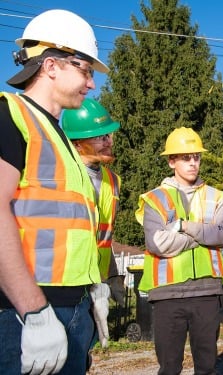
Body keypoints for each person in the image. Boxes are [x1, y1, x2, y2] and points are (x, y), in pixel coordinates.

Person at [0, 9, 109, 375]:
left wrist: (93, 286)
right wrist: (33, 309)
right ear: (50, 66)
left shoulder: (59, 136)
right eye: (85, 69)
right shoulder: (9, 116)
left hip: (70, 305)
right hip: (24, 312)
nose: (91, 83)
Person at [135, 127, 223, 375]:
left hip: (207, 291)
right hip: (167, 294)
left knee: (207, 367)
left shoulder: (215, 197)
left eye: (196, 157)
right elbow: (157, 243)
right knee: (169, 368)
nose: (193, 163)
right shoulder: (154, 199)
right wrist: (202, 236)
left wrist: (185, 228)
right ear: (171, 161)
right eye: (185, 157)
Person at [61, 98, 126, 351]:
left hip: (96, 284)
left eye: (108, 134)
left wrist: (108, 278)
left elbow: (103, 236)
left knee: (83, 356)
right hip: (66, 285)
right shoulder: (62, 175)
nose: (109, 141)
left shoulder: (113, 180)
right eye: (100, 136)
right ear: (77, 143)